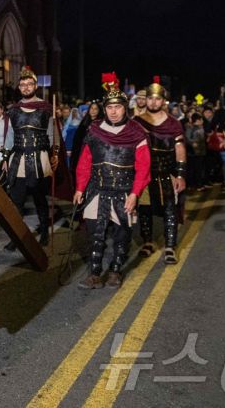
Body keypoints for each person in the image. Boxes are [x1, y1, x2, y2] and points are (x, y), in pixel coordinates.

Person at [73, 73, 151, 289]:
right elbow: (85, 162)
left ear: (125, 108)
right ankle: (95, 273)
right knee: (95, 234)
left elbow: (144, 167)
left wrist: (135, 193)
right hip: (97, 189)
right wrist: (80, 187)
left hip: (124, 191)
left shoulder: (137, 133)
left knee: (122, 234)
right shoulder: (94, 130)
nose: (113, 111)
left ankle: (116, 270)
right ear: (104, 108)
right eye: (109, 107)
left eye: (118, 107)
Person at [3, 66, 59, 250]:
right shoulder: (13, 110)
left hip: (39, 159)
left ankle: (44, 232)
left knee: (40, 199)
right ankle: (17, 237)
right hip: (17, 159)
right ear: (19, 87)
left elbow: (52, 135)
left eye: (29, 84)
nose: (26, 87)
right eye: (23, 84)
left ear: (36, 85)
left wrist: (54, 155)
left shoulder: (45, 108)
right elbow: (9, 136)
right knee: (16, 201)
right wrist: (5, 158)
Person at [133, 79, 187, 264]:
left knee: (170, 210)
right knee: (145, 209)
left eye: (157, 99)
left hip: (167, 172)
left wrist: (180, 174)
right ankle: (147, 242)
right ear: (145, 100)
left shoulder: (173, 124)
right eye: (150, 98)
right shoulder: (137, 122)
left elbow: (180, 149)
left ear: (163, 101)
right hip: (144, 173)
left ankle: (170, 246)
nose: (153, 102)